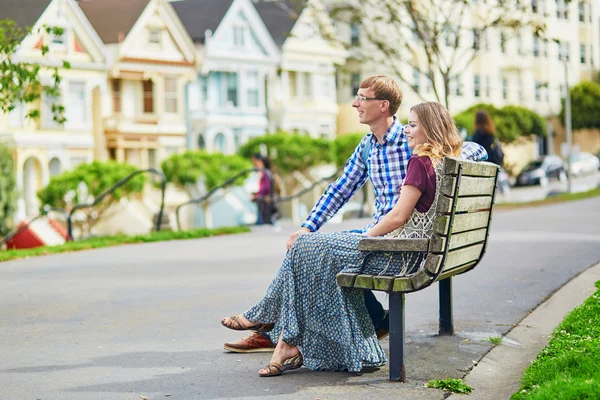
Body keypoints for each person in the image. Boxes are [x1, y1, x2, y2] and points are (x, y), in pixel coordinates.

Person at [223, 75, 487, 354]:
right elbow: (340, 190)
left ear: (384, 105)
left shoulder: (411, 141)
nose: (355, 103)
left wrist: (454, 151)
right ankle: (280, 329)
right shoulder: (368, 146)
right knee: (304, 245)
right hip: (384, 235)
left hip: (398, 241)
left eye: (362, 98)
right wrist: (309, 226)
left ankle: (271, 326)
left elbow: (470, 147)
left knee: (313, 255)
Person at [250, 153, 276, 225]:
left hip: (265, 202)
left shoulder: (266, 173)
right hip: (264, 201)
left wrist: (257, 195)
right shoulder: (265, 173)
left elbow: (266, 187)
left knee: (264, 223)